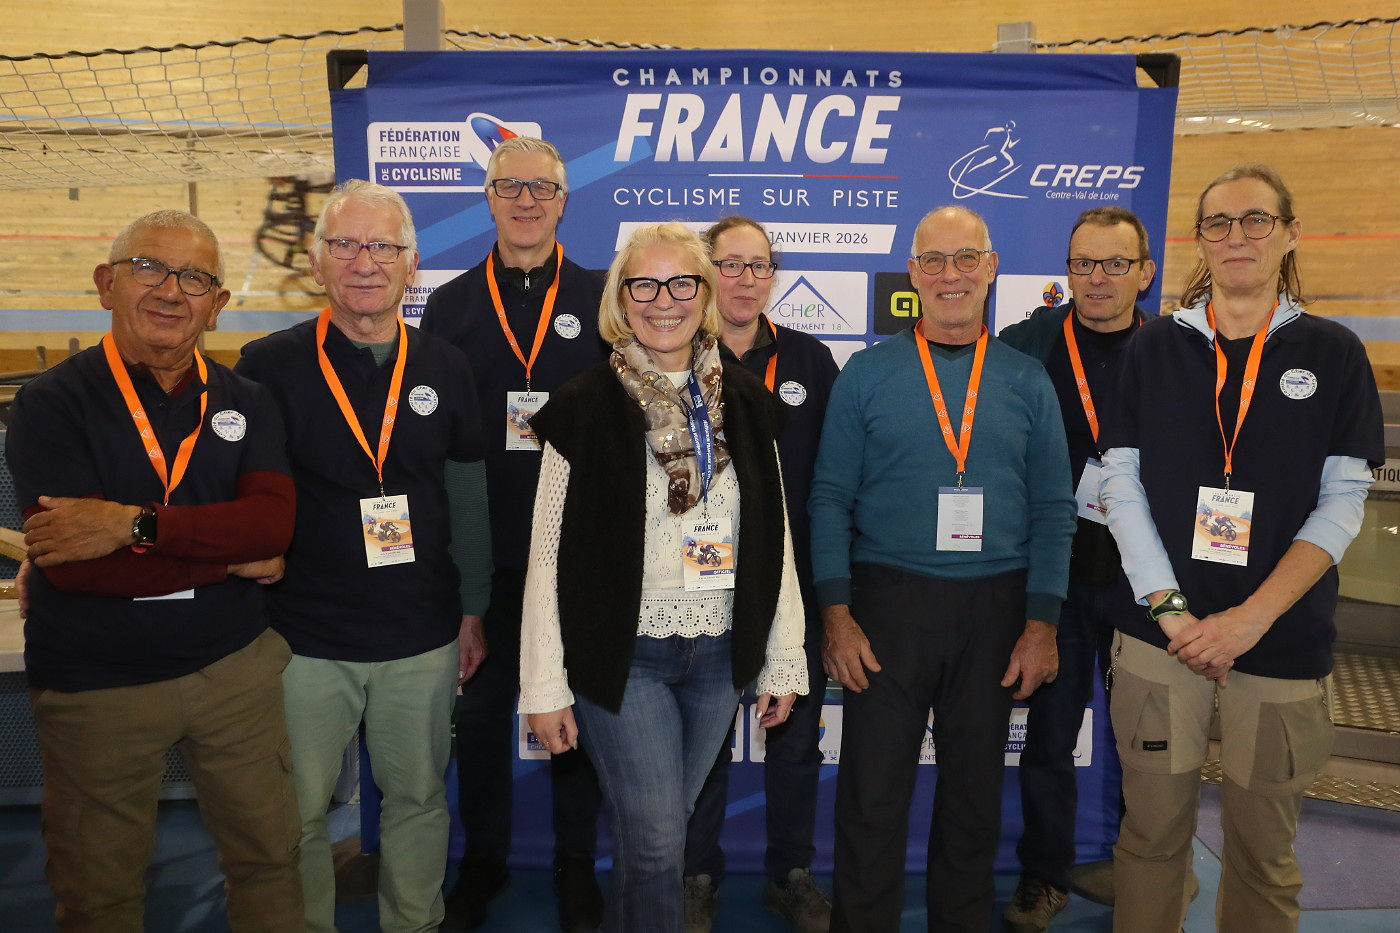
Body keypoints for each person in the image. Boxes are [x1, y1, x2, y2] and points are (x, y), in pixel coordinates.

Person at [1100, 164, 1383, 933]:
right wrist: (1172, 612)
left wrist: (1248, 621)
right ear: (1200, 240)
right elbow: (1118, 489)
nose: (1238, 237)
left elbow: (1341, 506)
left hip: (1281, 641)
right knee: (1151, 837)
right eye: (1220, 223)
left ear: (1290, 233)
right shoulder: (1153, 348)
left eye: (1256, 220)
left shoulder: (1334, 353)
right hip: (1162, 639)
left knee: (1263, 851)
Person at [7, 209, 302, 931]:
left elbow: (273, 524)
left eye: (195, 277)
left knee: (270, 856)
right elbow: (71, 567)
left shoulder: (246, 400)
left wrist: (130, 526)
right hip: (98, 684)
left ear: (219, 304)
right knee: (98, 888)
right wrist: (224, 558)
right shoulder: (51, 403)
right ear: (107, 283)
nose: (172, 291)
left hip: (234, 672)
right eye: (150, 268)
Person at [520, 221, 808, 932]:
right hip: (624, 656)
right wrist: (544, 683)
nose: (663, 300)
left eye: (681, 282)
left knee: (664, 832)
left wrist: (784, 657)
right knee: (654, 842)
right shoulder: (584, 405)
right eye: (642, 284)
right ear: (621, 297)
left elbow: (777, 542)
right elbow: (547, 554)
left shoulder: (744, 399)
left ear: (704, 293)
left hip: (718, 654)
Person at [809, 205, 1077, 932]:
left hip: (996, 610)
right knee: (871, 796)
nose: (950, 274)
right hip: (886, 606)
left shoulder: (1027, 380)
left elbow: (1056, 508)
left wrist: (1042, 623)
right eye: (933, 260)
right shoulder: (865, 374)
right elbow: (829, 498)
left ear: (991, 268)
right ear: (913, 273)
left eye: (966, 258)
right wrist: (836, 614)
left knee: (973, 800)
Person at [236, 180, 490, 933]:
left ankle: (413, 922)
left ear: (412, 266)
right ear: (317, 263)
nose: (365, 261)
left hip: (422, 632)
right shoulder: (266, 365)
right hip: (303, 638)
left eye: (383, 246)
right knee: (299, 815)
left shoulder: (445, 366)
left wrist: (473, 607)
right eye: (345, 244)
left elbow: (467, 498)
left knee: (417, 801)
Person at [420, 135, 607, 933]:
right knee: (485, 714)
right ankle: (484, 859)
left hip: (580, 556)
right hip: (487, 559)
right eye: (509, 187)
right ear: (488, 198)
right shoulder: (452, 305)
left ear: (564, 200)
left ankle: (574, 863)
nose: (525, 201)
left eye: (541, 188)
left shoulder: (604, 298)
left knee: (573, 715)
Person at [997, 206, 1156, 930]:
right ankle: (1044, 875)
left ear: (1144, 273)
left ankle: (1151, 867)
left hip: (1145, 584)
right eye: (1084, 264)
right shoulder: (1027, 343)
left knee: (1152, 741)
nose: (1098, 279)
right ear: (1067, 272)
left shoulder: (1178, 351)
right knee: (1051, 741)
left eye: (1115, 264)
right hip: (1053, 581)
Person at [682, 216, 839, 933]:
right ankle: (696, 872)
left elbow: (836, 484)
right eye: (730, 265)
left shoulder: (811, 361)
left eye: (758, 266)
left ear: (773, 275)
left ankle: (790, 871)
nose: (744, 279)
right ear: (706, 272)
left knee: (797, 739)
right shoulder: (675, 356)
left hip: (790, 587)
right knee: (705, 742)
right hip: (699, 583)